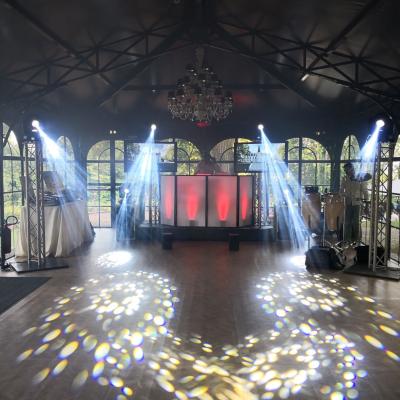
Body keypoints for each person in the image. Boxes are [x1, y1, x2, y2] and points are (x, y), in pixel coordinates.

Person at [340, 162, 370, 242]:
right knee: (347, 222)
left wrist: (367, 204)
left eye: (347, 169)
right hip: (348, 203)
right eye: (345, 170)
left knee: (356, 222)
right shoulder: (344, 178)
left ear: (352, 169)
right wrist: (345, 195)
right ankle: (347, 240)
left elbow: (365, 191)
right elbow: (341, 191)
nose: (346, 171)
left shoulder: (360, 177)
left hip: (357, 203)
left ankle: (356, 240)